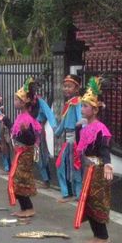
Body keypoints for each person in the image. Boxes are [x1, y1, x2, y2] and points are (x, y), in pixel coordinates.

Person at [73, 77, 113, 243]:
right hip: (88, 167)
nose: (82, 109)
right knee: (88, 200)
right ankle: (97, 235)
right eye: (82, 105)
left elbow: (104, 149)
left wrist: (108, 165)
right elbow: (80, 147)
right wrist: (77, 128)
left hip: (97, 168)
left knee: (97, 200)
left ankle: (103, 236)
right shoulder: (85, 127)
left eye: (85, 106)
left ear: (95, 110)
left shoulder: (100, 129)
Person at [6, 78, 42, 218]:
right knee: (16, 179)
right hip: (20, 152)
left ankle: (29, 208)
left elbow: (31, 139)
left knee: (20, 179)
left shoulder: (28, 119)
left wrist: (26, 131)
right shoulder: (21, 116)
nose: (14, 102)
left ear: (23, 102)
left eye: (16, 99)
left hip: (26, 153)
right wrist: (5, 120)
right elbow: (15, 133)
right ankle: (24, 207)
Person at [54, 74, 83, 202]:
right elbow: (63, 122)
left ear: (76, 89)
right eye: (65, 86)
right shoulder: (69, 103)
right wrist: (57, 132)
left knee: (75, 167)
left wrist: (80, 138)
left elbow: (80, 121)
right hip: (68, 139)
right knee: (62, 165)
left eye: (69, 86)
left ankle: (77, 194)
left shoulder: (77, 103)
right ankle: (67, 192)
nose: (66, 89)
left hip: (74, 140)